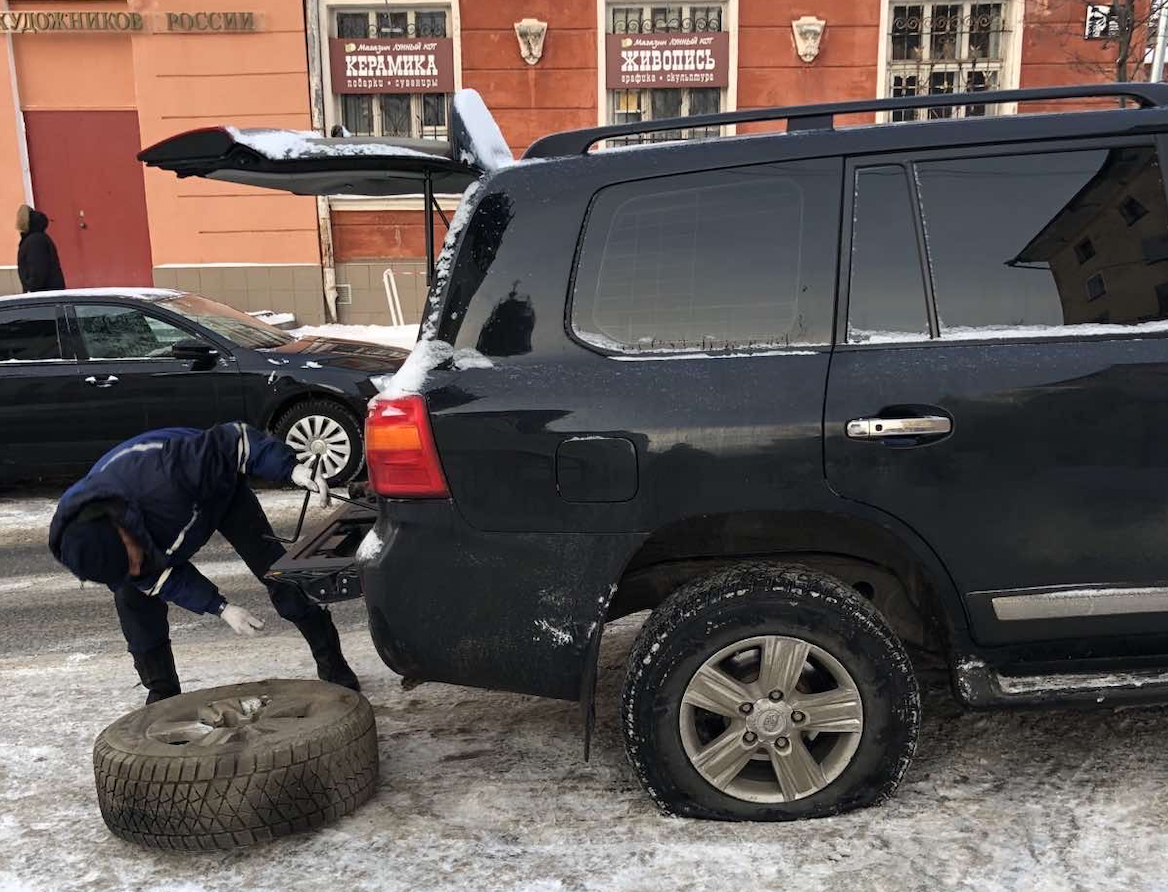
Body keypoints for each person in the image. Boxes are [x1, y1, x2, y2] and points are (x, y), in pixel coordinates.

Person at [48, 422, 359, 703]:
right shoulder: (84, 543)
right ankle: (163, 697)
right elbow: (156, 578)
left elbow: (235, 440)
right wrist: (220, 607)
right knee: (133, 599)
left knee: (281, 575)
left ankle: (333, 664)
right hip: (160, 528)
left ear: (121, 530)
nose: (134, 568)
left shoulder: (167, 471)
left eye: (130, 559)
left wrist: (291, 469)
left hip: (219, 494)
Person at [16, 204, 65, 292]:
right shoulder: (37, 239)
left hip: (44, 297)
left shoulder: (34, 241)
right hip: (47, 295)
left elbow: (37, 271)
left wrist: (31, 289)